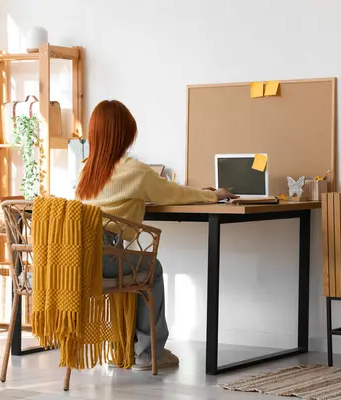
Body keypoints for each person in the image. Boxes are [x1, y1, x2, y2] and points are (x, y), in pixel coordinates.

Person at [76, 100, 236, 371]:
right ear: (124, 135)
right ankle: (148, 352)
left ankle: (123, 346)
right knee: (151, 268)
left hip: (79, 254)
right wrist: (213, 195)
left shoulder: (87, 170)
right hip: (104, 255)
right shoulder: (136, 171)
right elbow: (176, 194)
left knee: (137, 268)